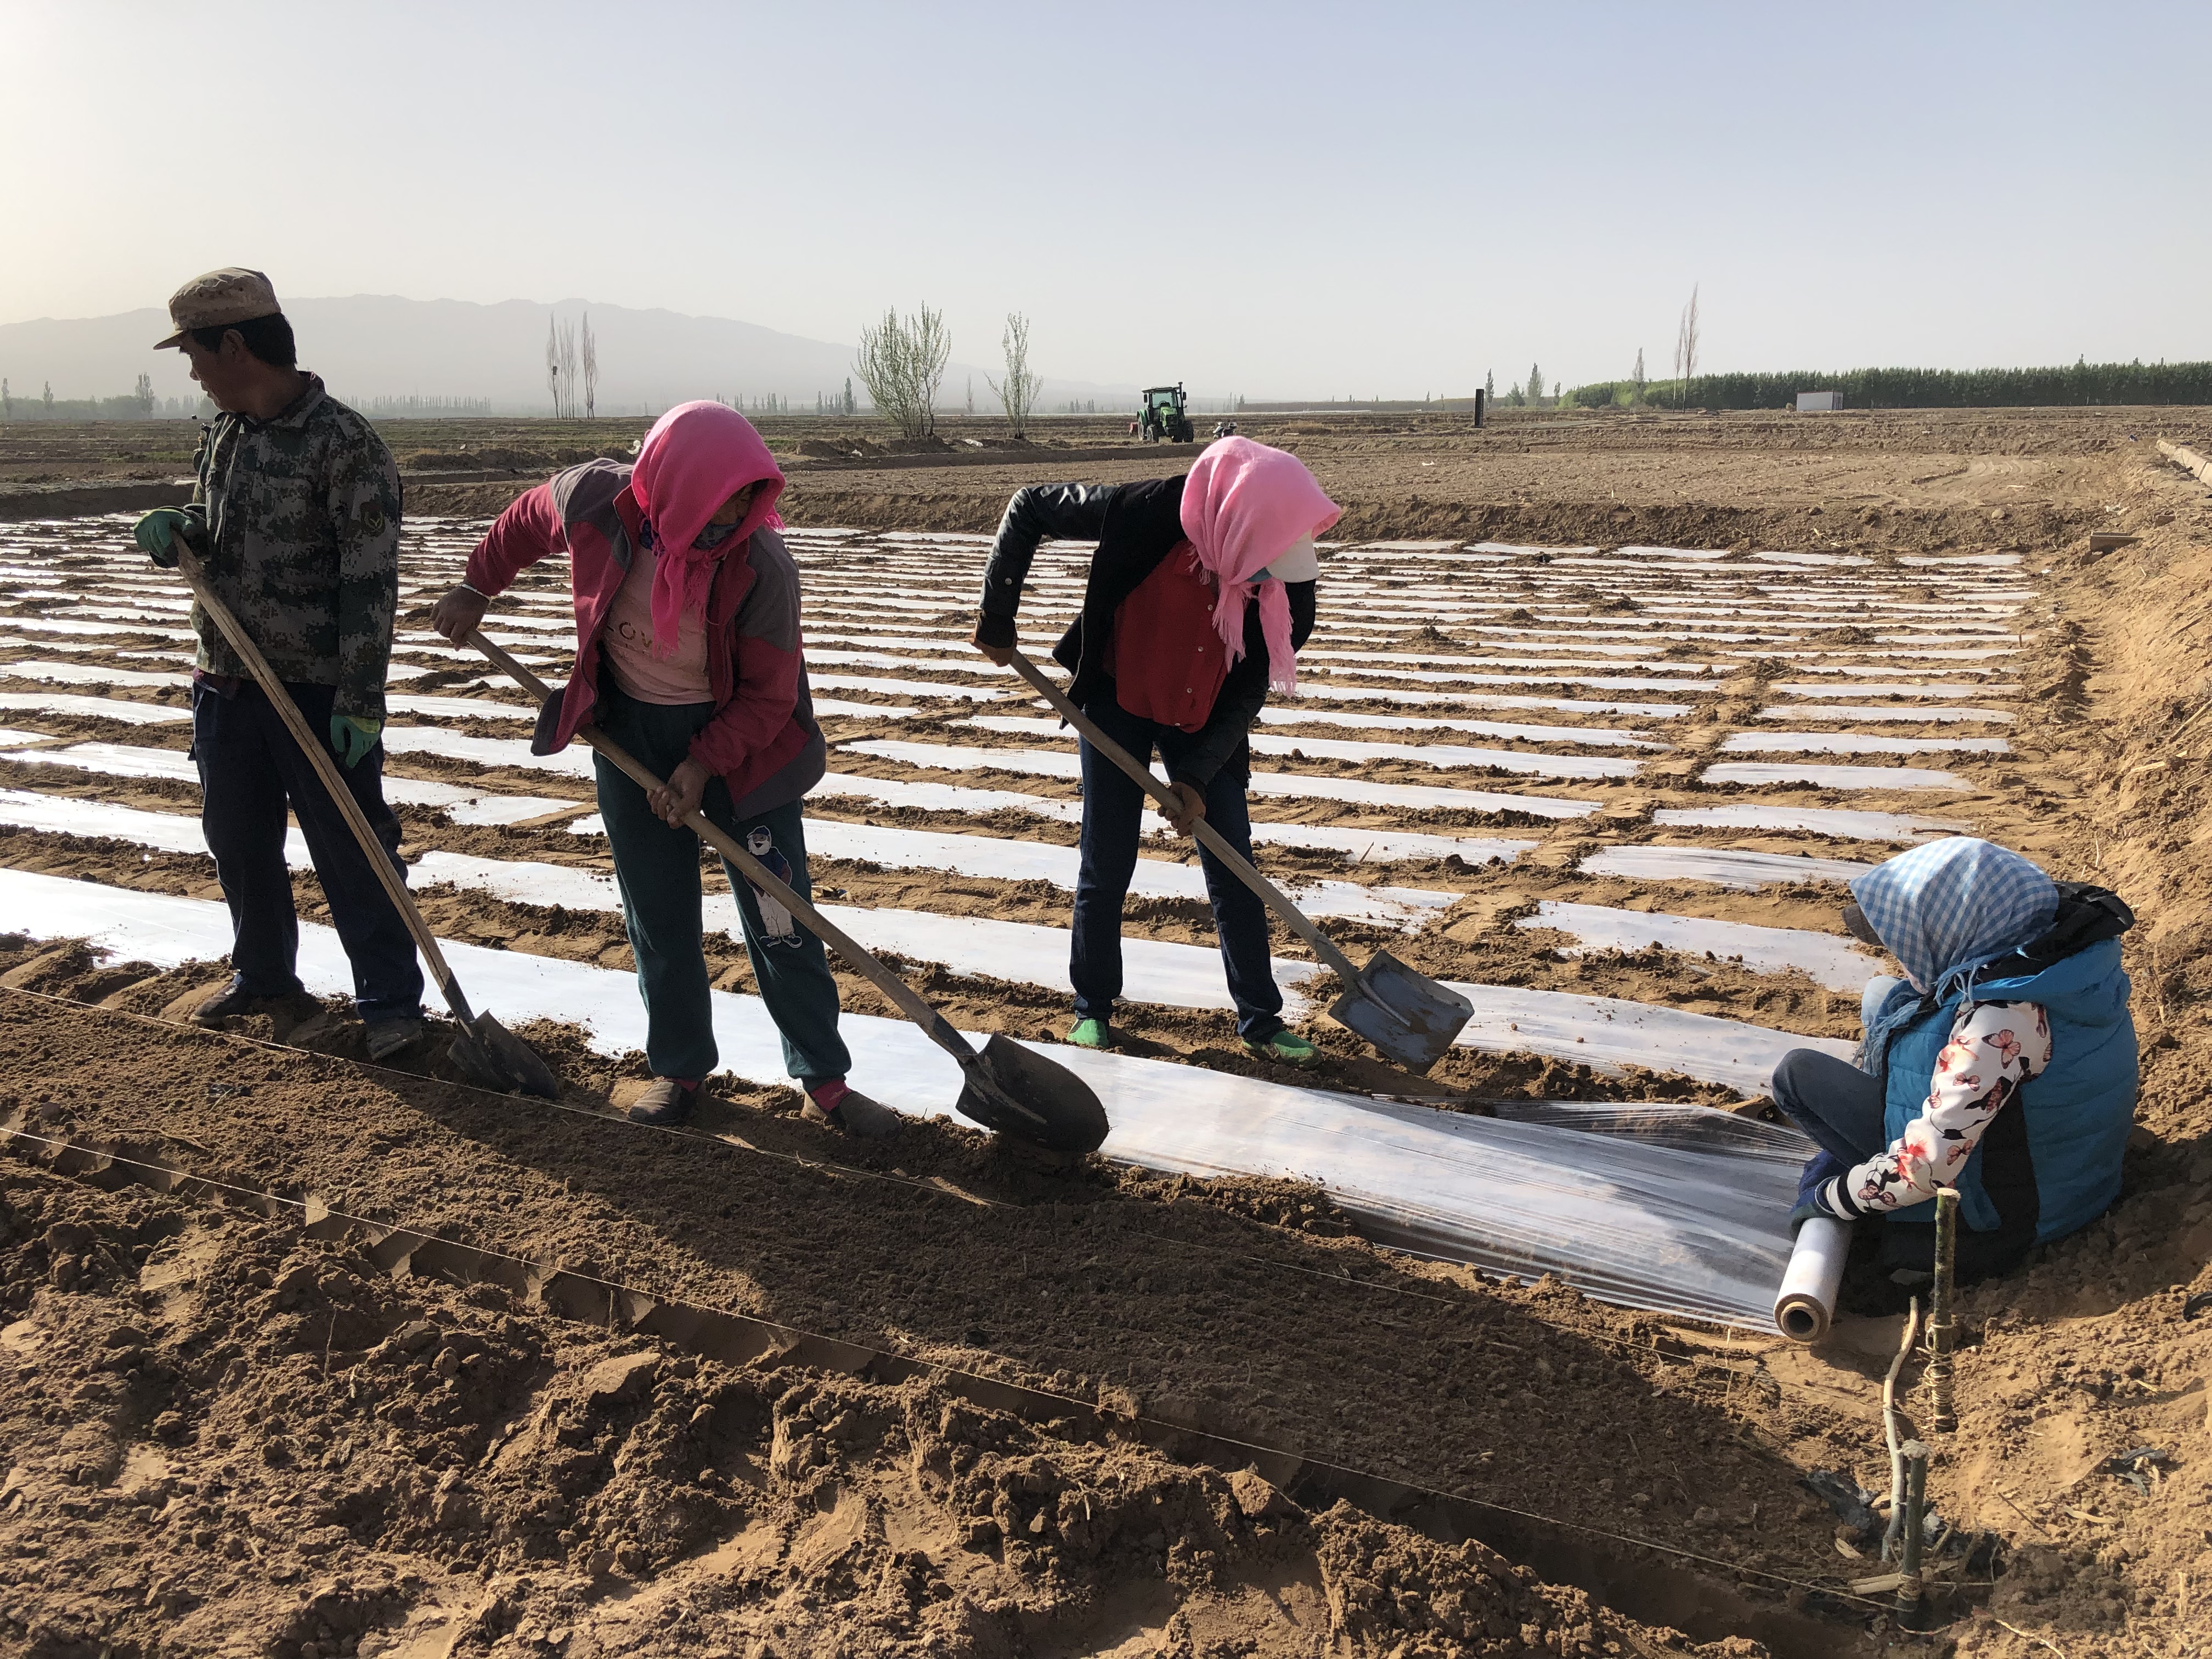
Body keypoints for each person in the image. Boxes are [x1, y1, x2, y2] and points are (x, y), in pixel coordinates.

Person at [428, 402, 893, 1136]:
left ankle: (823, 1080)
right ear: (673, 485)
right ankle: (678, 1070)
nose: (736, 514)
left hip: (742, 745)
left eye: (749, 498)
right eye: (722, 498)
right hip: (631, 731)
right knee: (658, 913)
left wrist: (703, 764)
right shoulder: (595, 502)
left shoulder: (762, 565)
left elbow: (771, 697)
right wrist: (477, 586)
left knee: (780, 913)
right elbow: (524, 519)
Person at [131, 268, 425, 1059]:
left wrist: (361, 699)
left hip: (316, 691)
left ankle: (392, 1005)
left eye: (194, 352)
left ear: (235, 346)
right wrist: (180, 529)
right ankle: (264, 976)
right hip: (225, 677)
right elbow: (216, 524)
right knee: (239, 842)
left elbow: (371, 583)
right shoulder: (224, 431)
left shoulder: (345, 444)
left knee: (354, 851)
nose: (191, 371)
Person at [968, 435, 1337, 1066]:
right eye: (1266, 565)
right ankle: (1092, 1008)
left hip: (1205, 711)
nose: (1269, 578)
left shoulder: (1286, 589)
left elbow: (1249, 689)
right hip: (1118, 699)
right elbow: (1029, 505)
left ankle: (1260, 1020)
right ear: (1237, 522)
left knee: (1234, 865)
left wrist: (1195, 775)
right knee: (1107, 861)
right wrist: (998, 613)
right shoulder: (1145, 511)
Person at [1771, 837, 2137, 1283]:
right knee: (1885, 994)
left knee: (1796, 1075)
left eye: (1909, 942)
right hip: (2075, 1176)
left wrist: (1829, 1198)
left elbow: (1924, 1170)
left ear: (1959, 930)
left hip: (2005, 1219)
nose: (1900, 956)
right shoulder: (2057, 962)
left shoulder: (1998, 1026)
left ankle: (1890, 1219)